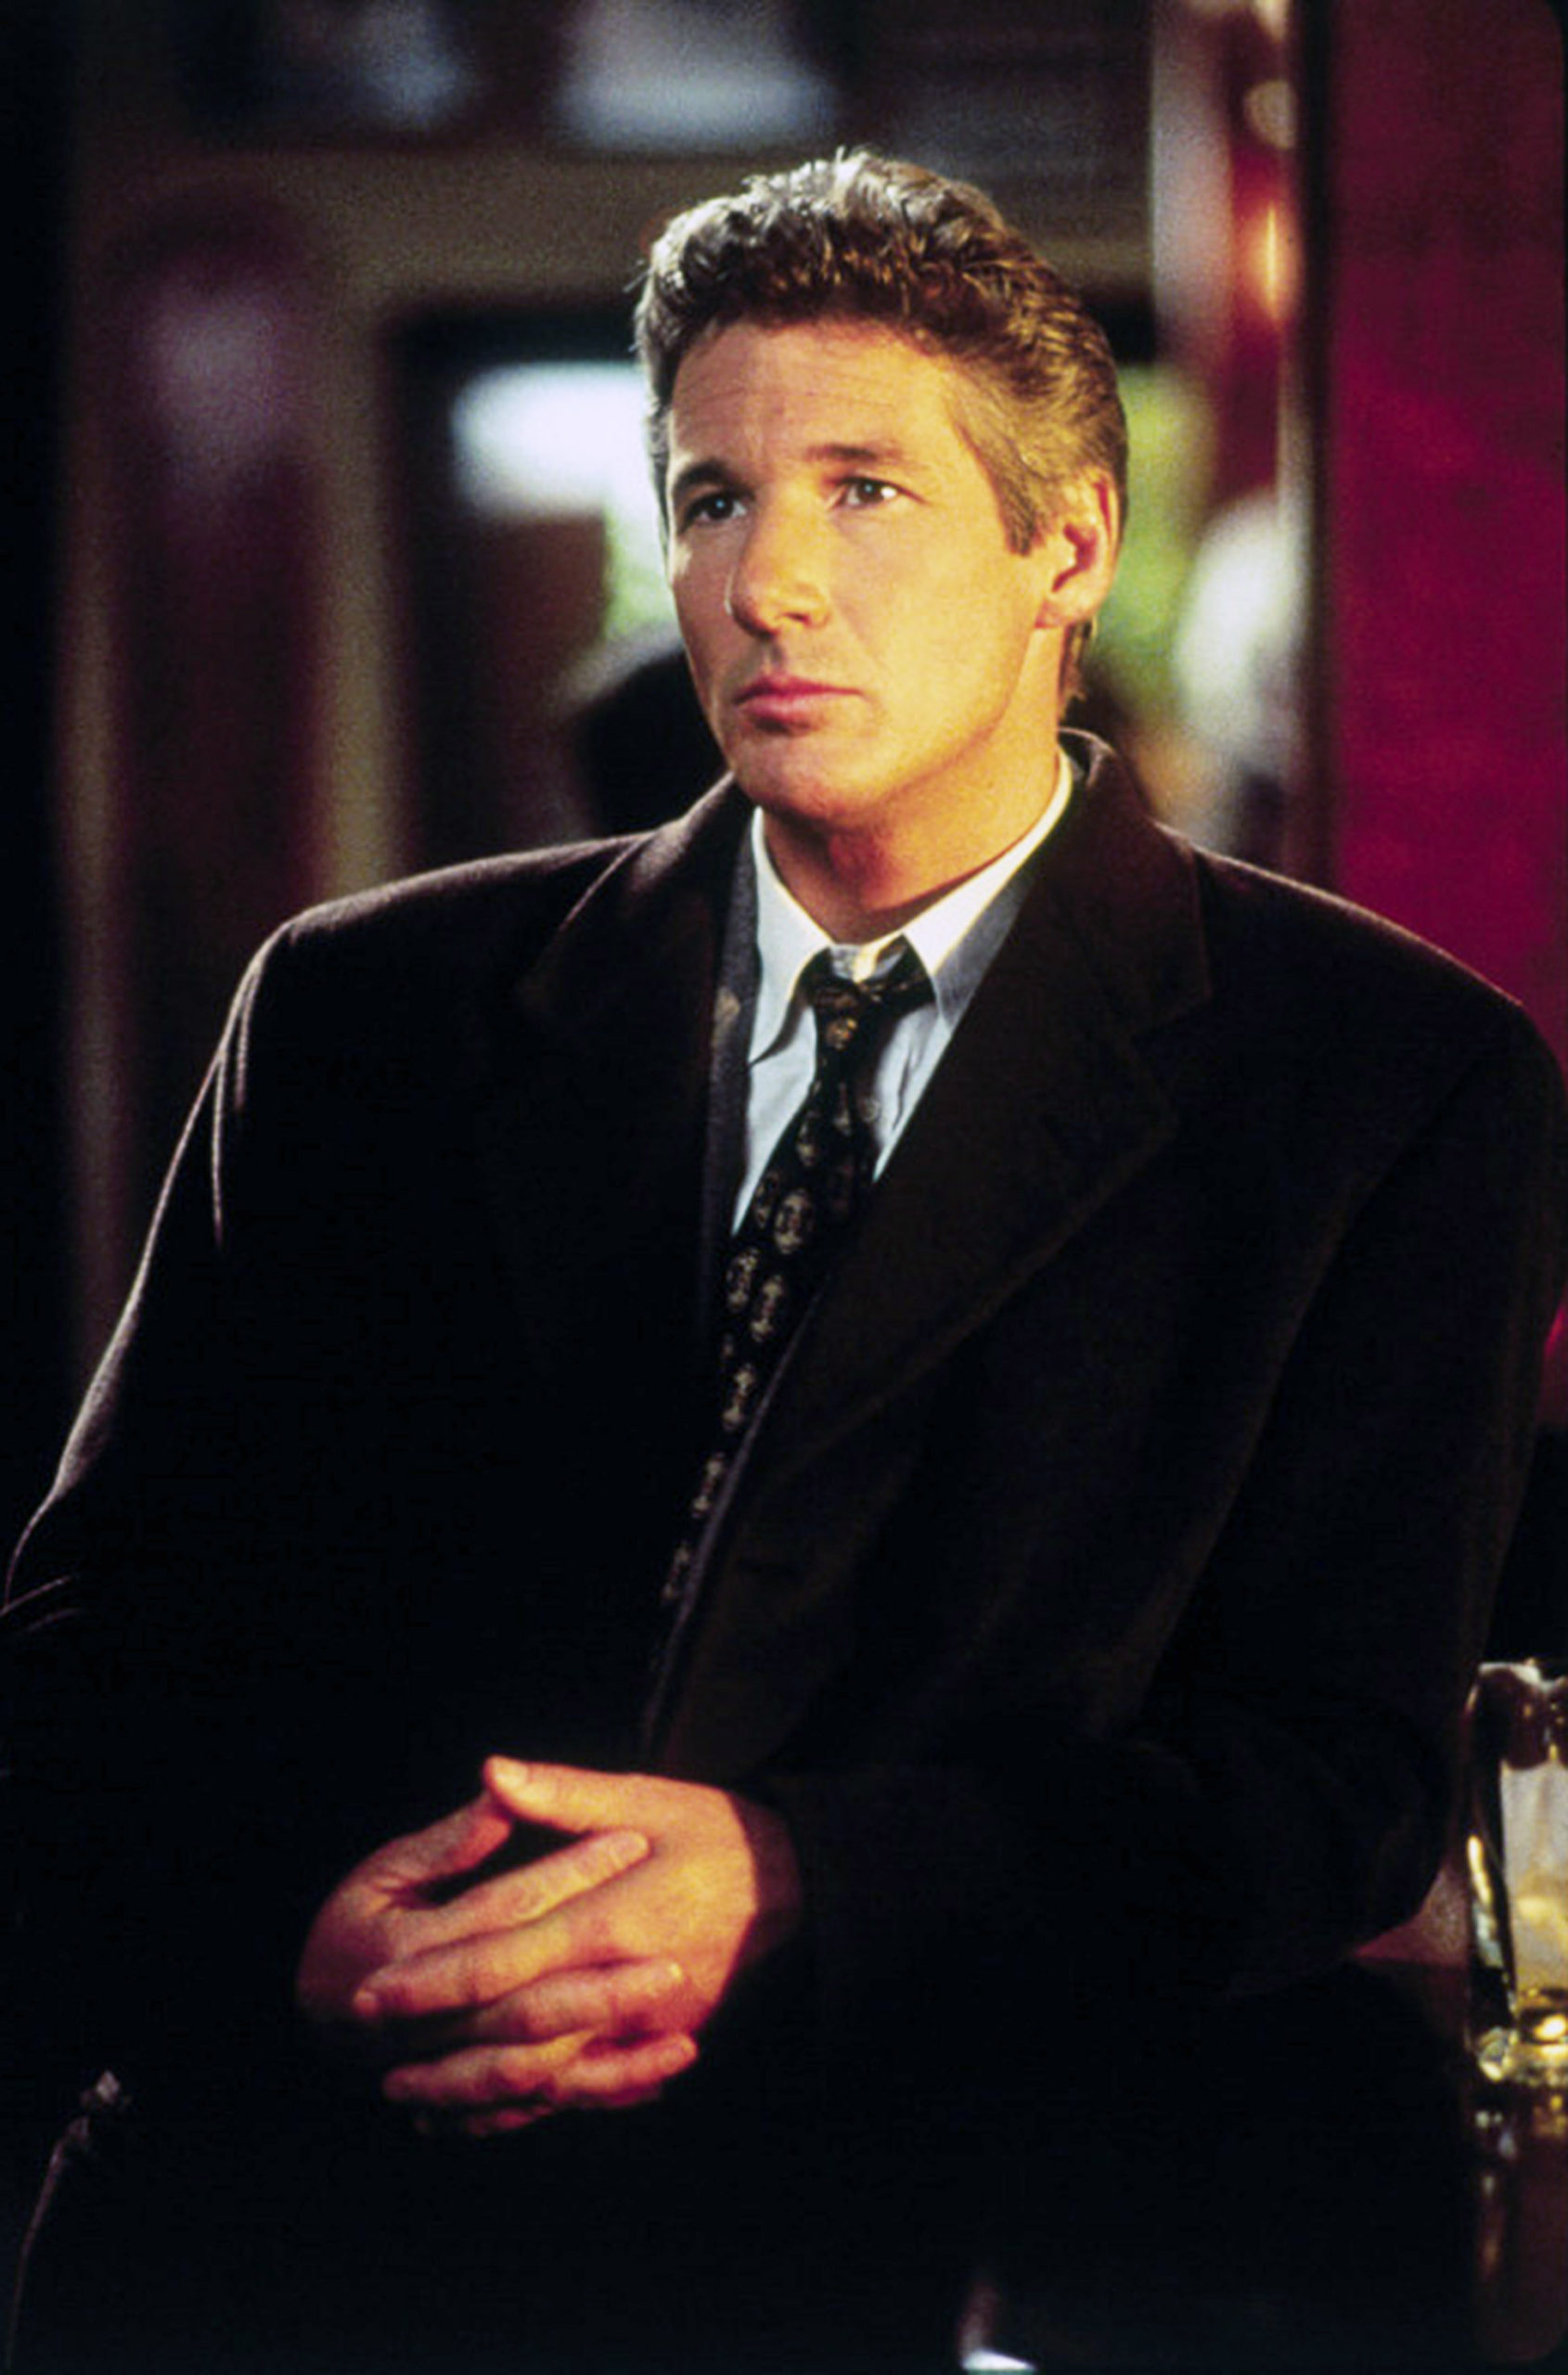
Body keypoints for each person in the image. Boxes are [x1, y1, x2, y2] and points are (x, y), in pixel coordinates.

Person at [3, 151, 1564, 2372]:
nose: (765, 584)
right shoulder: (362, 1008)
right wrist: (296, 1927)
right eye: (711, 499)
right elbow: (97, 1632)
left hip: (959, 2243)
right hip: (311, 2220)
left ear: (1067, 548)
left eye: (862, 492)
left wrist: (793, 1876)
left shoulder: (1386, 1078)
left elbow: (1332, 1783)